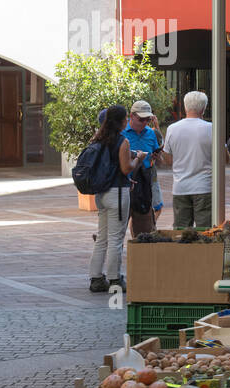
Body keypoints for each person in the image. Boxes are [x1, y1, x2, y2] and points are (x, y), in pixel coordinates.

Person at [89, 105, 147, 293]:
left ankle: (96, 277)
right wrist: (138, 158)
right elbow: (126, 168)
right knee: (115, 238)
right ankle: (115, 278)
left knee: (102, 238)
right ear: (122, 121)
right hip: (118, 192)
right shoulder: (122, 141)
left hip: (102, 193)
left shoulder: (98, 139)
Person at [160, 90, 212, 228]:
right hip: (204, 186)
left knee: (181, 231)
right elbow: (223, 159)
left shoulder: (172, 128)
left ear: (185, 107)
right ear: (204, 108)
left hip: (180, 187)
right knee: (205, 230)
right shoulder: (211, 128)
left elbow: (168, 160)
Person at [123, 100, 164, 237]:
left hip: (146, 178)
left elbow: (159, 160)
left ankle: (139, 241)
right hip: (127, 178)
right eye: (141, 119)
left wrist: (156, 157)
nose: (144, 123)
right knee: (122, 217)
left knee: (144, 219)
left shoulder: (151, 133)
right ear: (132, 116)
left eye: (147, 119)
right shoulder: (122, 133)